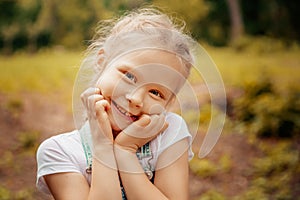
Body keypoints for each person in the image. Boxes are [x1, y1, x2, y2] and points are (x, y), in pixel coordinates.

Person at [36, 7, 195, 200]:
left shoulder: (170, 133)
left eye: (155, 92)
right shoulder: (60, 151)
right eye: (129, 76)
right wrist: (103, 145)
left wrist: (125, 151)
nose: (135, 99)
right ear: (102, 61)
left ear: (168, 104)